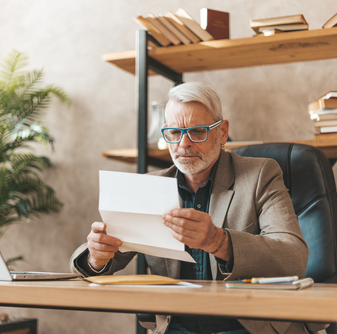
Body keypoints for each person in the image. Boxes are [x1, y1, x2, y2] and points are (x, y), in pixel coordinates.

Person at [70, 82, 309, 334]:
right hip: (176, 328)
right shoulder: (151, 186)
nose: (184, 144)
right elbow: (94, 262)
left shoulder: (260, 175)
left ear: (223, 132)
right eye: (174, 132)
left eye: (197, 131)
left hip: (246, 325)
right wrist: (96, 258)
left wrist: (220, 241)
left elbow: (294, 257)